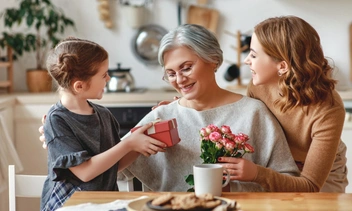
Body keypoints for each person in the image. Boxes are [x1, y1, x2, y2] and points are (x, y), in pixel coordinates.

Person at [155, 16, 348, 193]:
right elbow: (245, 116)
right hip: (279, 165)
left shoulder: (329, 110)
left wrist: (258, 174)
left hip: (318, 176)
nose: (247, 61)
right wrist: (183, 106)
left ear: (282, 66)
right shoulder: (260, 86)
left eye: (254, 55)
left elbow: (310, 185)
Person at [116, 24, 300, 192]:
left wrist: (257, 173)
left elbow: (289, 178)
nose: (179, 80)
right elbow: (109, 173)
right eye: (171, 74)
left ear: (212, 60)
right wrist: (130, 145)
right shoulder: (162, 116)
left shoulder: (253, 113)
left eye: (186, 68)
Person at [40, 37, 167, 210]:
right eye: (103, 74)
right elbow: (85, 172)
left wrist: (140, 144)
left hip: (104, 201)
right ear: (79, 86)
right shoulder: (56, 121)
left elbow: (115, 165)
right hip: (68, 204)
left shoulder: (104, 114)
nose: (108, 78)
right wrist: (129, 143)